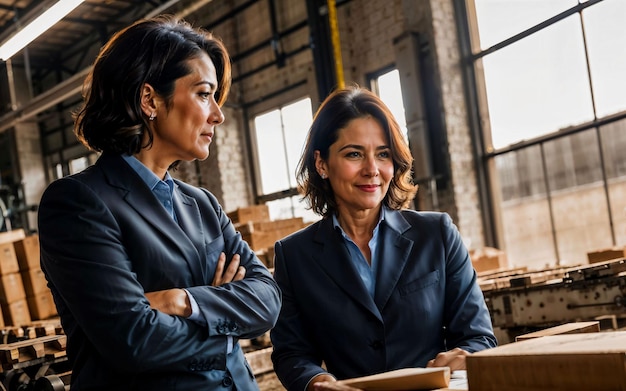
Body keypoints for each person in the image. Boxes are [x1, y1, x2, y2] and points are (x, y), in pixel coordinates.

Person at [37, 16, 281, 391]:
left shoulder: (203, 205)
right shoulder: (77, 203)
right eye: (203, 94)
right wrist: (227, 324)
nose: (218, 113)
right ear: (149, 99)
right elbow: (134, 340)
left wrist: (182, 301)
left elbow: (267, 299)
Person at [270, 86, 497, 391]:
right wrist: (317, 381)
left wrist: (466, 355)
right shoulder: (294, 255)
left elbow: (478, 336)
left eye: (383, 154)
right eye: (354, 154)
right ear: (322, 163)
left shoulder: (437, 234)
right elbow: (292, 352)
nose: (372, 170)